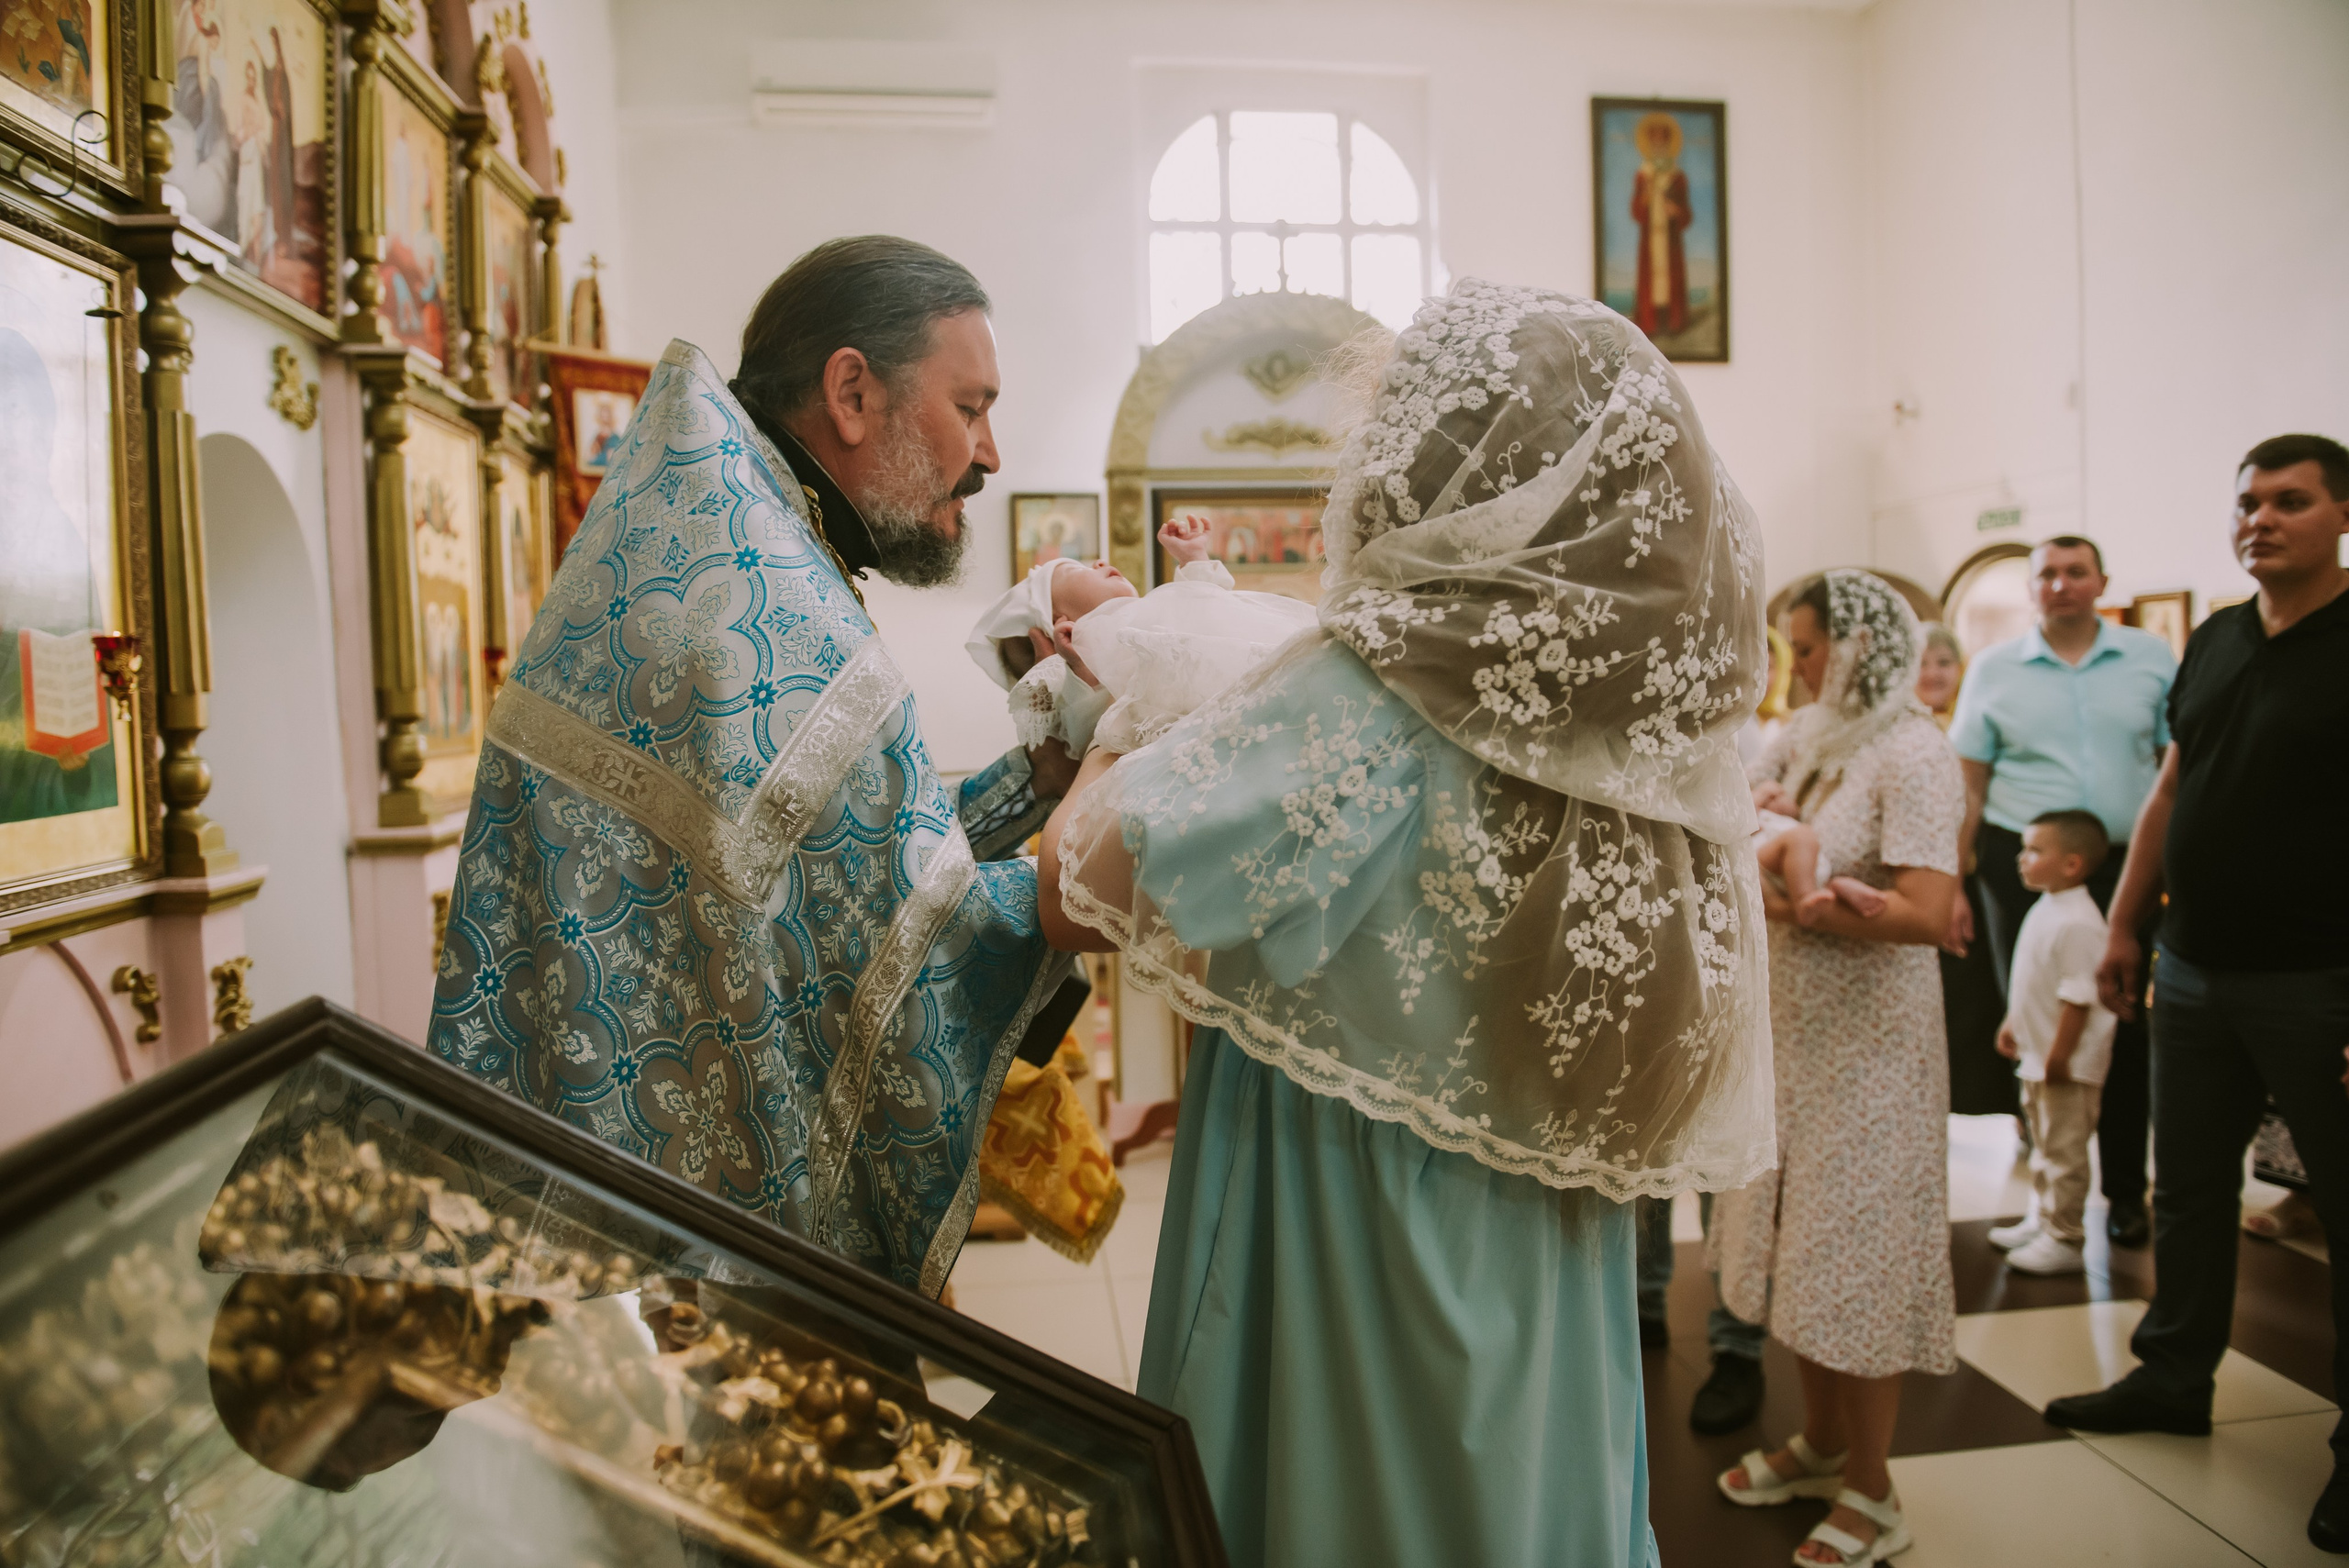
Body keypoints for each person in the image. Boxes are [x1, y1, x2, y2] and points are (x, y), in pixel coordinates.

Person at [1040, 280, 1775, 1567]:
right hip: (1537, 1246)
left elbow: (1079, 884)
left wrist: (1128, 697)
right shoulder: (1631, 732)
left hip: (1357, 1241)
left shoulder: (1371, 690)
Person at [425, 237, 1088, 1295]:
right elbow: (903, 935)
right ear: (851, 390)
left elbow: (835, 862)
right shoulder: (764, 604)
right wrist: (1088, 852)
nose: (991, 451)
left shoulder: (739, 541)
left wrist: (1034, 787)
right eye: (971, 406)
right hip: (704, 1252)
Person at [2046, 433, 2349, 1554]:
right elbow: (2175, 780)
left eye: (2289, 501)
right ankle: (2173, 1374)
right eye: (2247, 503)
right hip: (2194, 962)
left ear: (2341, 514)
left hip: (2317, 976)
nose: (2259, 519)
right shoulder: (2218, 635)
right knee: (2184, 1189)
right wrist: (2126, 922)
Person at [1711, 570, 1965, 1568]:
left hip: (1873, 1047)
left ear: (1860, 646)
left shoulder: (1914, 750)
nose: (1798, 666)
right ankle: (1819, 1441)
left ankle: (1874, 1484)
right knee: (1801, 1248)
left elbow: (1927, 912)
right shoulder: (1801, 737)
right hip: (1791, 1036)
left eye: (1809, 647)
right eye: (1791, 648)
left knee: (1858, 1255)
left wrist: (1820, 903)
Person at [1950, 536, 2174, 1247]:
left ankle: (2126, 1190)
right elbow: (1970, 781)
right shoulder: (1994, 668)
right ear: (2031, 588)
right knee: (2036, 1017)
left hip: (2123, 862)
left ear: (2101, 580)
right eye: (2047, 572)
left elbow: (2175, 765)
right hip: (2024, 865)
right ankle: (2050, 1184)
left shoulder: (2149, 658)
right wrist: (1956, 877)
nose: (2061, 583)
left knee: (2122, 1017)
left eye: (2076, 571)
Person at [964, 515, 1315, 762]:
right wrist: (1078, 668)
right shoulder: (1097, 654)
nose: (1100, 561)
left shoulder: (1154, 608)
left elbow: (1211, 606)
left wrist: (1193, 558)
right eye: (1078, 569)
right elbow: (1090, 723)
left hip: (1269, 671)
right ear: (1061, 622)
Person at [1987, 809, 2118, 1276]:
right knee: (2042, 1144)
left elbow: (2079, 999)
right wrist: (2013, 1024)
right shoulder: (2046, 908)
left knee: (2064, 1152)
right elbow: (2031, 980)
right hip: (2038, 1056)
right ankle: (2040, 1218)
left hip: (2065, 1064)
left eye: (2035, 851)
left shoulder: (2080, 922)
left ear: (2072, 864)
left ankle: (2065, 1235)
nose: (2022, 859)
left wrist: (2060, 1056)